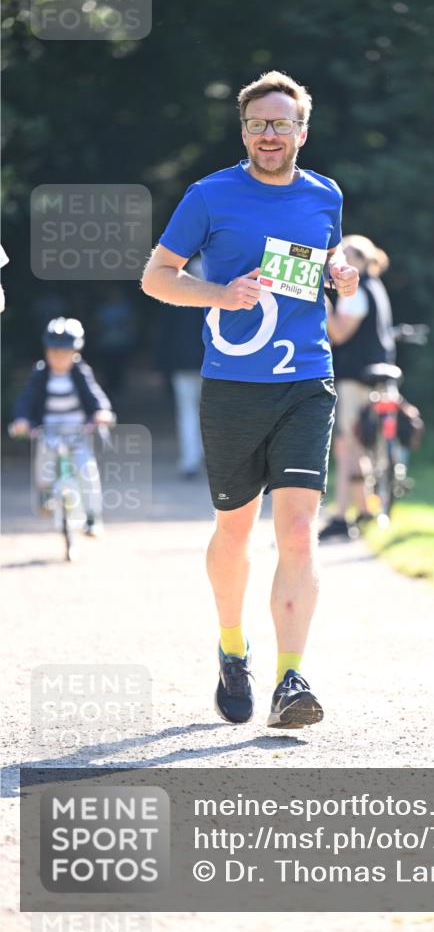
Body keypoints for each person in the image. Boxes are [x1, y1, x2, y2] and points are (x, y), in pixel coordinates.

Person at [141, 70, 359, 729]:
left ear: (302, 131)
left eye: (281, 123)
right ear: (244, 131)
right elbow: (156, 278)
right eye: (258, 124)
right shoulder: (209, 196)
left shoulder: (325, 194)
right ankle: (232, 649)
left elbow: (322, 270)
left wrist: (339, 275)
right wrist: (219, 294)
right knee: (235, 530)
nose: (270, 135)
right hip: (234, 388)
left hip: (306, 383)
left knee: (295, 530)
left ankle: (291, 678)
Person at [8, 317, 114, 536]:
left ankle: (93, 517)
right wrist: (22, 420)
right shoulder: (40, 374)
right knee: (44, 461)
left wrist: (100, 412)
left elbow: (95, 396)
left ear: (75, 352)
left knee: (87, 471)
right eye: (54, 352)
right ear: (46, 351)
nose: (59, 358)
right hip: (49, 429)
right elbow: (26, 401)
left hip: (77, 430)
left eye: (64, 353)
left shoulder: (80, 372)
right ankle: (45, 494)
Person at [322, 234, 395, 540]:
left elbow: (338, 333)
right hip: (376, 377)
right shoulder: (375, 286)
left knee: (347, 445)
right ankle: (365, 508)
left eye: (348, 253)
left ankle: (341, 515)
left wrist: (321, 303)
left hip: (354, 379)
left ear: (363, 260)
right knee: (359, 446)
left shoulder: (356, 292)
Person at [155, 256, 205, 478]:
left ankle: (189, 461)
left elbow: (165, 334)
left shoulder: (175, 297)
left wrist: (163, 366)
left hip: (182, 364)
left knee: (187, 413)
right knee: (213, 414)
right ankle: (210, 459)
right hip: (213, 365)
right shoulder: (220, 295)